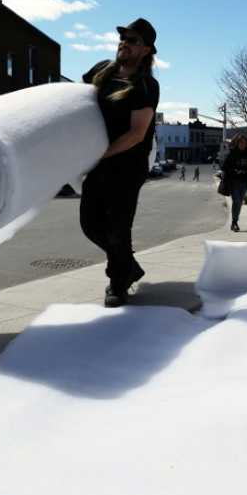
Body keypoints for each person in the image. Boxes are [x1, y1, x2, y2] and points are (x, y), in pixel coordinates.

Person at [79, 18, 160, 307]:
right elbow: (75, 102)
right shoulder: (101, 71)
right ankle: (129, 266)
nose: (125, 42)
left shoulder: (147, 85)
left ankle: (117, 281)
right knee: (89, 223)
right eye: (123, 37)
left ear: (147, 50)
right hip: (98, 162)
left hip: (128, 166)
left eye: (133, 40)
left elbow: (137, 133)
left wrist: (100, 154)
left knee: (117, 227)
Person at [221, 134, 247, 232]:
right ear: (237, 143)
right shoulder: (232, 154)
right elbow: (224, 167)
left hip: (244, 181)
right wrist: (235, 171)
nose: (243, 144)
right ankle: (235, 223)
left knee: (239, 203)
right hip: (234, 181)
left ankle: (234, 222)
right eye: (241, 143)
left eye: (244, 143)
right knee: (237, 201)